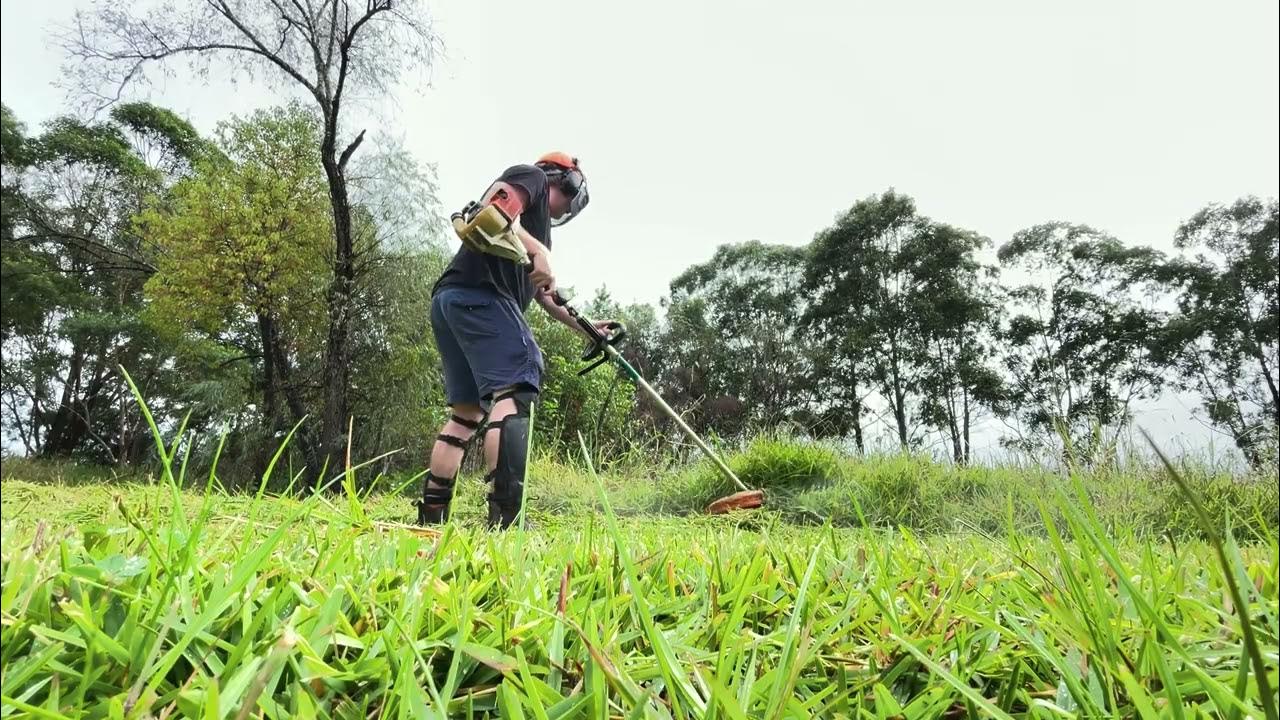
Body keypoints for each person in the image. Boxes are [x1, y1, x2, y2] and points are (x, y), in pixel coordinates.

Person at [417, 152, 610, 529]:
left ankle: (431, 516)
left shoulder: (533, 232)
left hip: (451, 301)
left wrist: (587, 328)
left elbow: (544, 296)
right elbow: (491, 208)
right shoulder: (532, 177)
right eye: (573, 197)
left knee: (466, 414)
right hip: (482, 295)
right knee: (520, 381)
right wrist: (539, 251)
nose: (569, 209)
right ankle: (508, 517)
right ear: (565, 182)